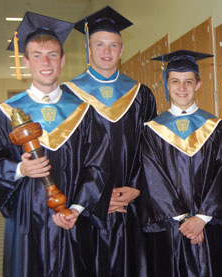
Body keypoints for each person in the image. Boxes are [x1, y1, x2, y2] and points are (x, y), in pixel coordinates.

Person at [0, 12, 110, 276]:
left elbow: (99, 166)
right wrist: (20, 170)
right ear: (26, 61)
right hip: (28, 221)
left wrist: (77, 208)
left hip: (71, 219)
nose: (46, 62)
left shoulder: (83, 112)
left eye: (52, 54)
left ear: (62, 59)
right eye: (37, 55)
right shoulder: (5, 114)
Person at [62, 6, 157, 276]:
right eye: (99, 44)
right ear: (88, 48)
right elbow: (63, 159)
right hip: (86, 210)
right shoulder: (68, 96)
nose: (107, 51)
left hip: (131, 206)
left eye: (113, 45)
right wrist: (96, 200)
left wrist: (137, 188)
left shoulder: (141, 95)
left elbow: (152, 151)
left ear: (122, 48)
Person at [139, 50, 222, 276]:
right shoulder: (153, 130)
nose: (182, 88)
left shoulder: (215, 127)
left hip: (207, 227)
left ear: (198, 84)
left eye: (188, 81)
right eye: (175, 81)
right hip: (171, 229)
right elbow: (153, 180)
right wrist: (185, 221)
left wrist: (201, 218)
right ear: (166, 85)